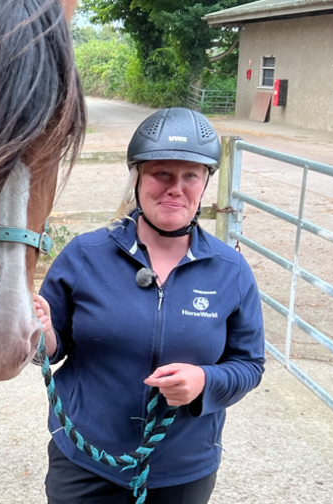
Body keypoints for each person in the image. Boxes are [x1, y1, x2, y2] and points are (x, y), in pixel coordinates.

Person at [33, 107, 265, 504]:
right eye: (162, 174)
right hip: (86, 465)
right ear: (138, 178)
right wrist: (44, 334)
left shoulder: (231, 271)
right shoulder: (85, 255)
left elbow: (249, 364)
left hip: (182, 471)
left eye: (190, 176)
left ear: (205, 184)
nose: (176, 188)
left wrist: (204, 382)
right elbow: (51, 350)